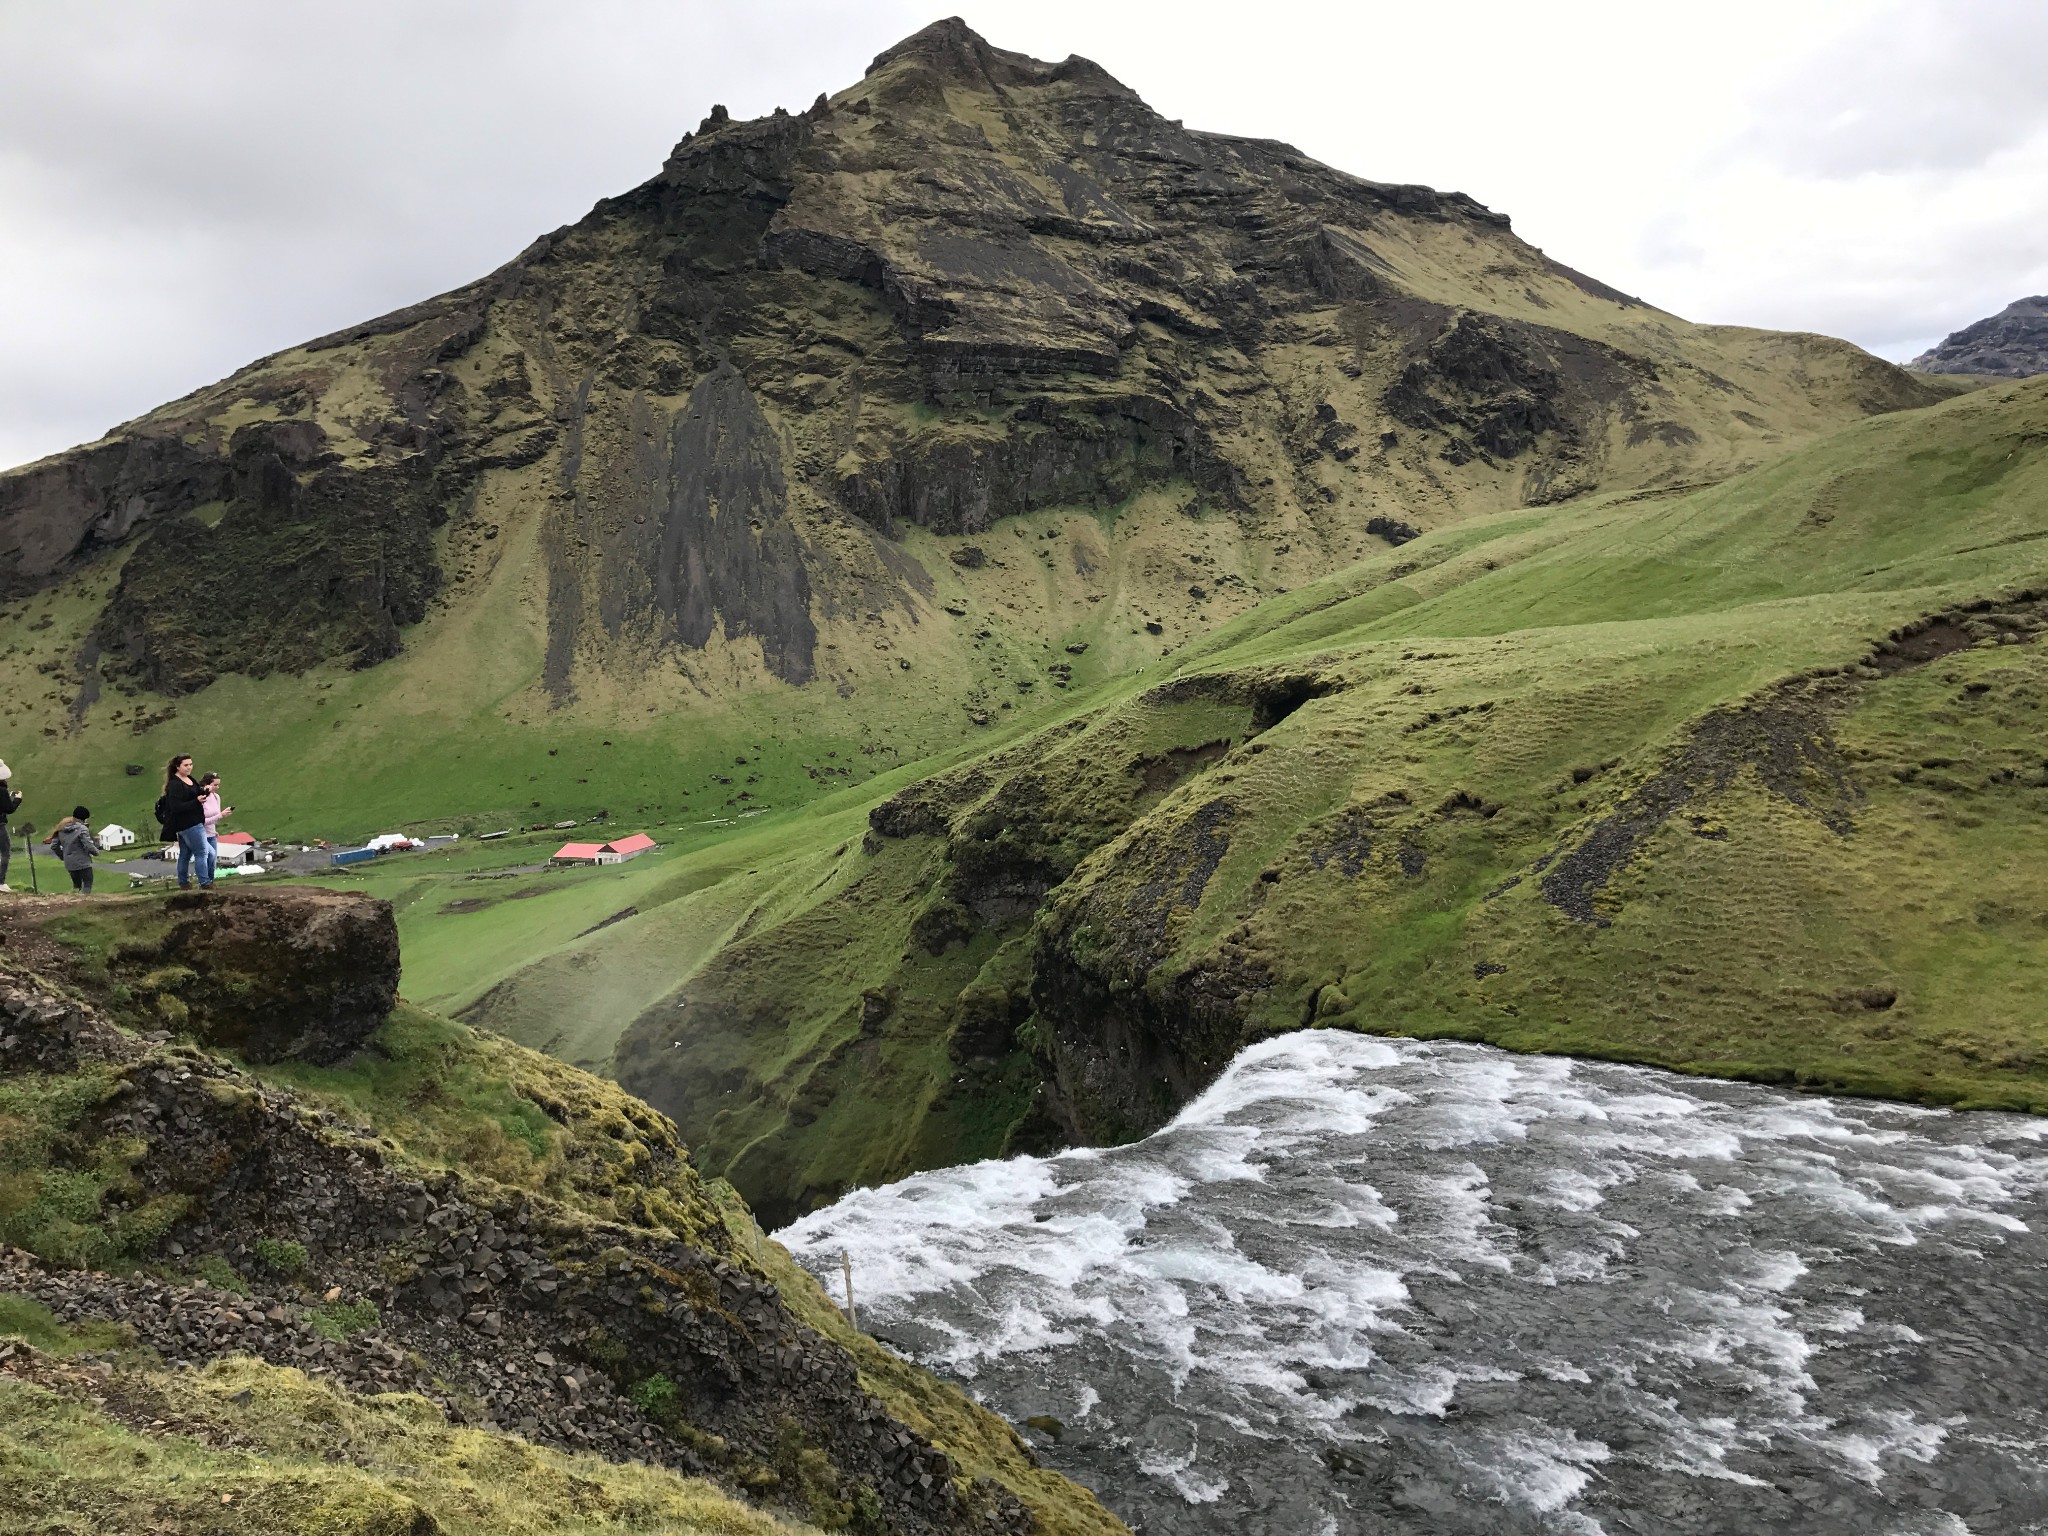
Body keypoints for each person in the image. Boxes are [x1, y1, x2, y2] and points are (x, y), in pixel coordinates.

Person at [158, 754, 211, 889]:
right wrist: (196, 802)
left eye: (191, 764)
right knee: (201, 853)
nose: (189, 767)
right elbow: (176, 807)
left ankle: (184, 883)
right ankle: (205, 883)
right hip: (188, 823)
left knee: (185, 854)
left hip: (192, 822)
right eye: (185, 765)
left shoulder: (189, 779)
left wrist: (205, 792)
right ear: (177, 767)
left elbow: (196, 793)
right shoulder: (175, 784)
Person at [45, 806, 99, 894]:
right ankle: (84, 903)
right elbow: (88, 844)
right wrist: (96, 852)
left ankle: (74, 901)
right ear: (84, 818)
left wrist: (63, 856)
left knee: (76, 886)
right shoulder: (82, 829)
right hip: (83, 862)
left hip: (69, 863)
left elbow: (54, 846)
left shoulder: (61, 828)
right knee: (87, 884)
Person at [199, 772, 232, 865]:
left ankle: (211, 879)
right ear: (207, 784)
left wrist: (223, 814)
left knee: (212, 861)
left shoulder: (216, 797)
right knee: (207, 858)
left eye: (218, 785)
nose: (217, 787)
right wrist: (220, 815)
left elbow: (216, 818)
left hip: (212, 834)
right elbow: (201, 821)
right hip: (201, 835)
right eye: (215, 785)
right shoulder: (201, 798)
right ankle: (205, 879)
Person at [0, 759, 16, 893]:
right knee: (5, 852)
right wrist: (17, 800)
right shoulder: (2, 790)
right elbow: (9, 809)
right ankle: (1, 882)